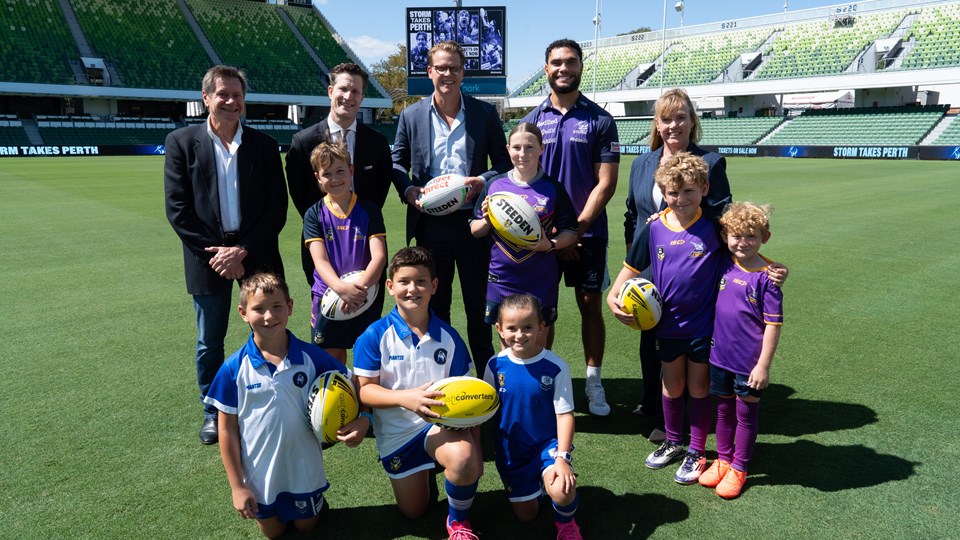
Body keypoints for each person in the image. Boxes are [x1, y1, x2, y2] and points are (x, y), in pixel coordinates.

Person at [622, 88, 786, 440]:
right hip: (652, 267)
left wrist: (762, 265)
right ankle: (654, 407)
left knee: (693, 344)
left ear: (692, 121)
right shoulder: (641, 163)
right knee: (652, 342)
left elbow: (727, 220)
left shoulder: (709, 162)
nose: (673, 125)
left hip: (695, 265)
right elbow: (632, 215)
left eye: (681, 117)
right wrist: (633, 259)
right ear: (657, 123)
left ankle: (688, 425)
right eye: (666, 119)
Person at [164, 65, 287, 445]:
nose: (232, 102)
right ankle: (212, 411)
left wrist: (243, 249)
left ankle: (275, 399)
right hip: (208, 256)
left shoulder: (264, 146)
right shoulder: (181, 142)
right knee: (209, 341)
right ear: (206, 98)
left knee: (271, 330)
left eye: (238, 95)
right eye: (224, 94)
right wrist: (219, 254)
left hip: (257, 250)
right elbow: (177, 209)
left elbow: (276, 208)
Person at [203, 273, 370, 538]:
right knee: (274, 533)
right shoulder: (233, 369)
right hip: (260, 476)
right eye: (259, 309)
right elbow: (226, 430)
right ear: (243, 313)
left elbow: (355, 383)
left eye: (277, 307)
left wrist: (364, 418)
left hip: (304, 469)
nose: (269, 316)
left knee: (306, 526)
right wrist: (237, 487)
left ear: (290, 307)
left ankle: (314, 503)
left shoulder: (311, 356)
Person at [391, 40, 511, 378]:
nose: (447, 74)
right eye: (441, 68)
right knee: (434, 306)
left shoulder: (484, 113)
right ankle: (438, 375)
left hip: (474, 224)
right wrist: (409, 190)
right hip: (429, 225)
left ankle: (488, 376)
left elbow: (502, 163)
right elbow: (397, 162)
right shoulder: (411, 114)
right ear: (429, 72)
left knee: (478, 307)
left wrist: (482, 180)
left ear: (463, 72)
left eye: (454, 68)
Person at [353, 247, 483, 540]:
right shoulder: (374, 336)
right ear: (389, 287)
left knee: (464, 459)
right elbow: (365, 392)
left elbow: (470, 399)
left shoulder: (450, 339)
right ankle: (428, 470)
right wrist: (406, 398)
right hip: (397, 434)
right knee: (415, 511)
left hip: (440, 428)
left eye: (422, 281)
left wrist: (475, 451)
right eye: (404, 281)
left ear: (434, 286)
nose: (413, 289)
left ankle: (459, 523)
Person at [607, 152, 721, 486]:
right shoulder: (654, 227)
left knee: (699, 387)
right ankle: (673, 441)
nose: (681, 199)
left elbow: (743, 252)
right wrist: (613, 294)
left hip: (703, 325)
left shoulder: (715, 226)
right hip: (666, 325)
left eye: (689, 191)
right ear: (663, 192)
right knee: (671, 386)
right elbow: (631, 266)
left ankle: (697, 450)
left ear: (704, 188)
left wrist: (769, 267)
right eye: (673, 193)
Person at [522, 39, 620, 416]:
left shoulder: (599, 119)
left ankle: (593, 382)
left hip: (587, 233)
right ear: (546, 68)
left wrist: (574, 231)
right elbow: (522, 179)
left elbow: (606, 183)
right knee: (543, 310)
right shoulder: (533, 120)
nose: (564, 68)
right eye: (556, 63)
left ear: (581, 66)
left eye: (571, 62)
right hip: (541, 237)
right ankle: (544, 380)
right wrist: (551, 236)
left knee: (589, 305)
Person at [699, 202, 783, 499]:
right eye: (737, 236)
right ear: (725, 236)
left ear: (765, 238)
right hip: (719, 355)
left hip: (748, 364)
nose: (743, 242)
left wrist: (763, 366)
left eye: (751, 236)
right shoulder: (724, 262)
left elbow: (773, 326)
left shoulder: (768, 279)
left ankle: (739, 467)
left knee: (746, 415)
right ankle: (723, 459)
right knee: (722, 411)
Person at [285, 63, 396, 288]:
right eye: (343, 89)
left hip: (367, 242)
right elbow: (301, 195)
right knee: (328, 315)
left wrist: (361, 222)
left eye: (355, 91)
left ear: (362, 98)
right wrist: (327, 224)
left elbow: (380, 191)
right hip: (322, 243)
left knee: (367, 314)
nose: (348, 96)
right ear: (330, 91)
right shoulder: (302, 143)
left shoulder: (377, 143)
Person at [483, 294, 583, 540]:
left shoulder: (555, 366)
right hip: (511, 451)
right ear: (499, 329)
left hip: (547, 446)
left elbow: (565, 414)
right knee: (526, 515)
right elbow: (484, 408)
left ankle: (566, 523)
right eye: (512, 328)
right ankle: (537, 486)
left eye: (527, 327)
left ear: (541, 328)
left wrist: (562, 457)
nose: (520, 335)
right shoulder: (495, 365)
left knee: (561, 490)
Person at [470, 122, 578, 347]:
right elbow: (475, 230)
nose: (523, 154)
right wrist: (488, 219)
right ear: (508, 149)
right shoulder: (494, 185)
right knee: (507, 348)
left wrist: (549, 245)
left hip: (540, 277)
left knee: (539, 345)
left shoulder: (553, 189)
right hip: (502, 277)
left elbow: (571, 232)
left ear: (541, 149)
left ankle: (542, 383)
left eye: (529, 147)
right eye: (517, 147)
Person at [303, 141, 387, 362]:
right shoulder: (314, 214)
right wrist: (341, 289)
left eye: (340, 170)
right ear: (317, 178)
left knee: (367, 360)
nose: (335, 178)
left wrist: (358, 290)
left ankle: (365, 398)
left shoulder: (369, 210)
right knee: (332, 360)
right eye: (327, 174)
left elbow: (379, 256)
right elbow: (319, 261)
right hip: (328, 296)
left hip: (365, 294)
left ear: (351, 170)